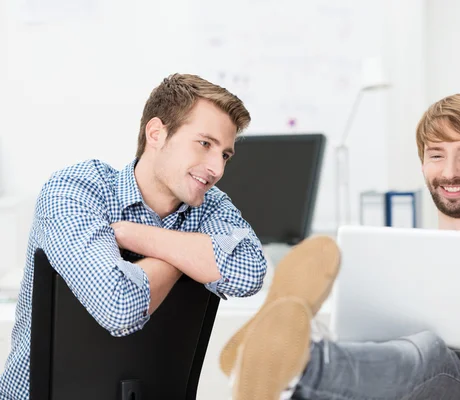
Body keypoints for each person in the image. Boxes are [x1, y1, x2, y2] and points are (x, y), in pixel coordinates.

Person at [221, 94, 460, 400]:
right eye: (437, 155)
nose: (450, 172)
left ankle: (301, 366)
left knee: (432, 352)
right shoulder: (400, 255)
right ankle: (291, 372)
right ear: (422, 163)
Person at [0, 73, 268, 399]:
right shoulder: (77, 189)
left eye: (224, 154)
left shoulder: (211, 207)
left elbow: (250, 272)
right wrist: (190, 256)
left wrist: (132, 235)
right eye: (205, 144)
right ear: (156, 133)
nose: (216, 168)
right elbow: (119, 306)